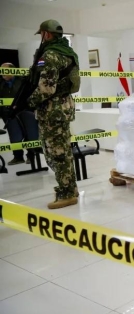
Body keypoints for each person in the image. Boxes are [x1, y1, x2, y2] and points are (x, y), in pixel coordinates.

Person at [26, 19, 79, 209]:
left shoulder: (50, 55)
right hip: (63, 108)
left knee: (56, 153)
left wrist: (28, 103)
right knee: (62, 151)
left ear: (46, 34)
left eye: (41, 34)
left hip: (51, 111)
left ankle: (67, 193)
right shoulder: (68, 52)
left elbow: (46, 89)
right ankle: (69, 188)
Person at [1, 63, 29, 165]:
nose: (2, 73)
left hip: (23, 112)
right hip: (8, 114)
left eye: (4, 70)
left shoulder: (22, 81)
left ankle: (31, 156)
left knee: (28, 134)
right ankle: (18, 157)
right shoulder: (1, 84)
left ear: (12, 71)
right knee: (14, 136)